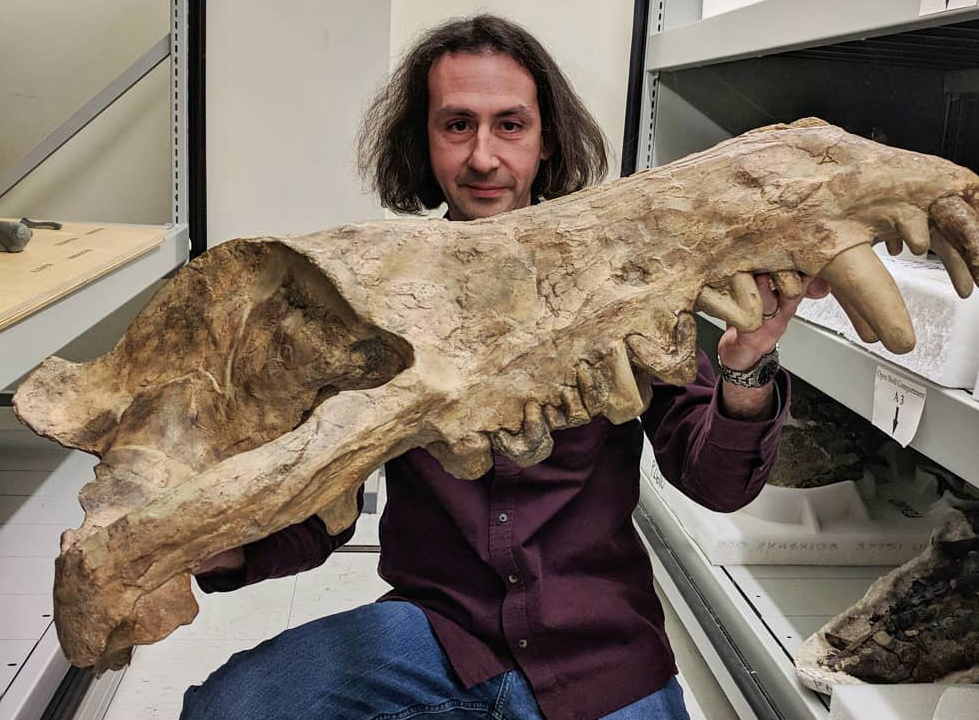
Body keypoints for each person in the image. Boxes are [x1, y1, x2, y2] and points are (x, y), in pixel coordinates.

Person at [181, 14, 828, 720]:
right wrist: (225, 550)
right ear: (422, 142)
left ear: (546, 138)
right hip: (437, 637)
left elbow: (714, 478)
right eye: (457, 125)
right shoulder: (378, 297)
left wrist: (745, 367)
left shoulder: (621, 276)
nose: (483, 157)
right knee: (229, 709)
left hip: (601, 653)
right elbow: (322, 511)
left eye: (509, 125)